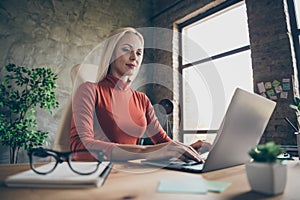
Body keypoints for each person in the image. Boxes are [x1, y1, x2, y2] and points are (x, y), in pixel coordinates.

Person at [70, 27, 211, 162]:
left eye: (138, 53)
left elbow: (163, 143)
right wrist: (144, 151)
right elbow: (79, 147)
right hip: (101, 174)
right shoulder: (89, 90)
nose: (134, 57)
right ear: (111, 53)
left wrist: (187, 150)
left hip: (132, 172)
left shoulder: (142, 99)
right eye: (126, 50)